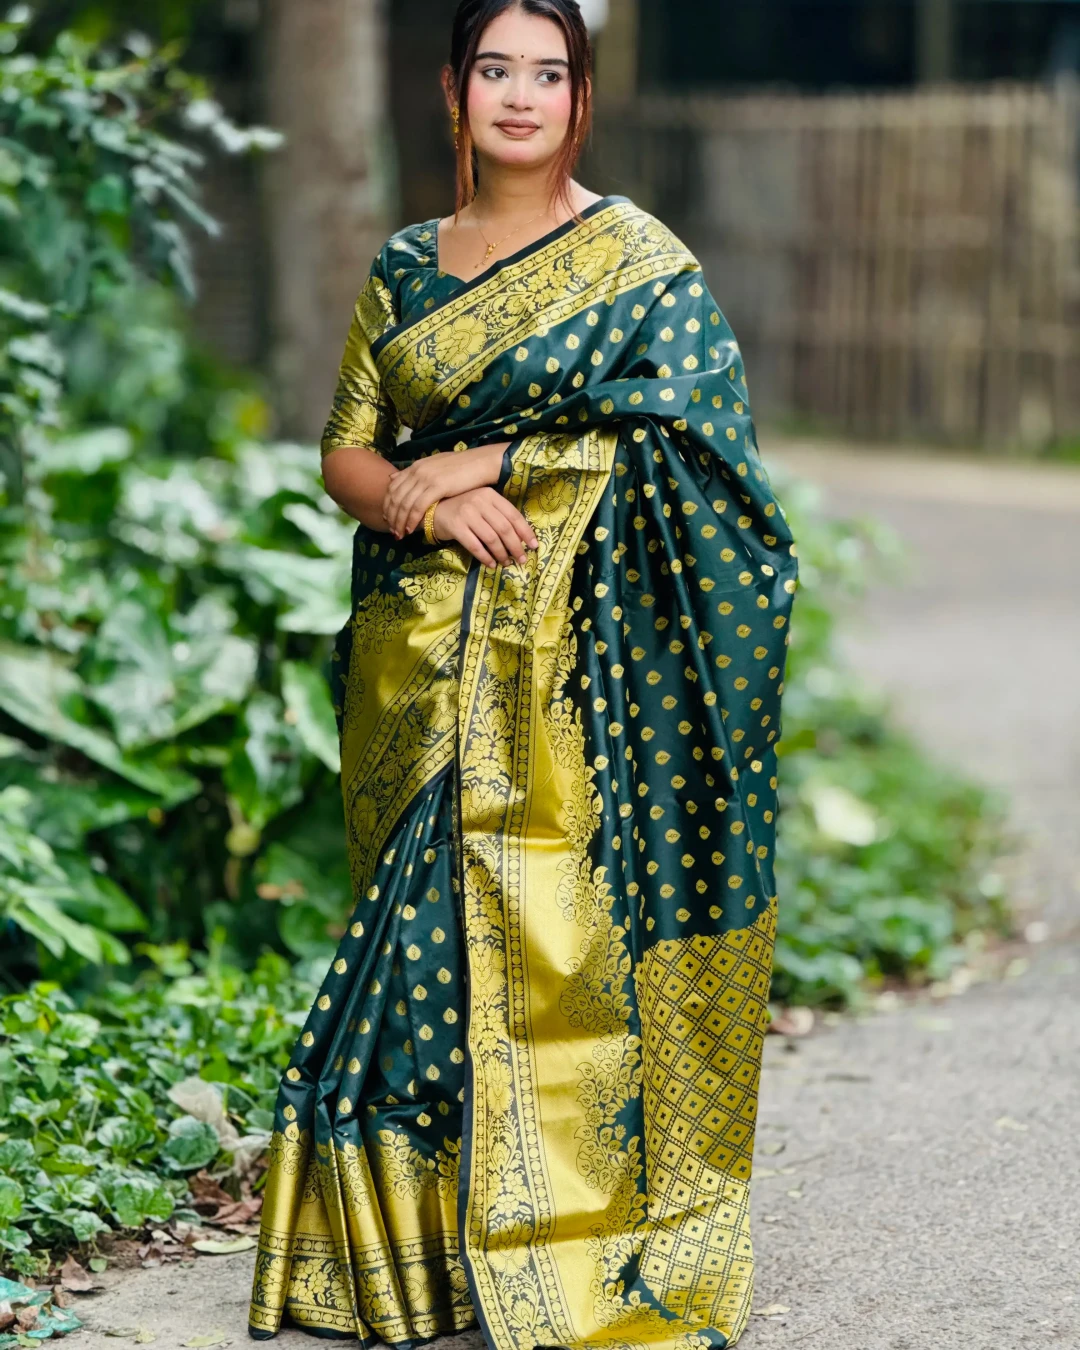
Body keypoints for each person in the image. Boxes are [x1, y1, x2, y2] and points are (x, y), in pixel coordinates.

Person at [248, 1, 799, 1346]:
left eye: (547, 74)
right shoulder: (406, 265)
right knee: (410, 949)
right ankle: (415, 1263)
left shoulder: (638, 265)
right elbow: (347, 451)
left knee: (523, 948)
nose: (519, 95)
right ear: (452, 89)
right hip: (415, 660)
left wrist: (502, 460)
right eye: (495, 68)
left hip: (570, 671)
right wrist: (420, 507)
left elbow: (702, 447)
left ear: (582, 101)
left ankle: (565, 1236)